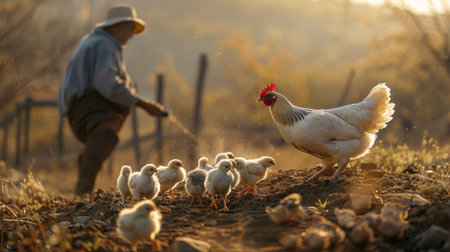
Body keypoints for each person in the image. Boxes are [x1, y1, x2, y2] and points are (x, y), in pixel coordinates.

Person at [58, 4, 168, 195]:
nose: (131, 36)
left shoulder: (94, 41)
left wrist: (131, 98)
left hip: (78, 103)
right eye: (129, 29)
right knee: (106, 132)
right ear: (118, 27)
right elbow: (108, 84)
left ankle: (85, 169)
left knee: (108, 134)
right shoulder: (106, 45)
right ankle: (83, 190)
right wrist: (143, 104)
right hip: (86, 101)